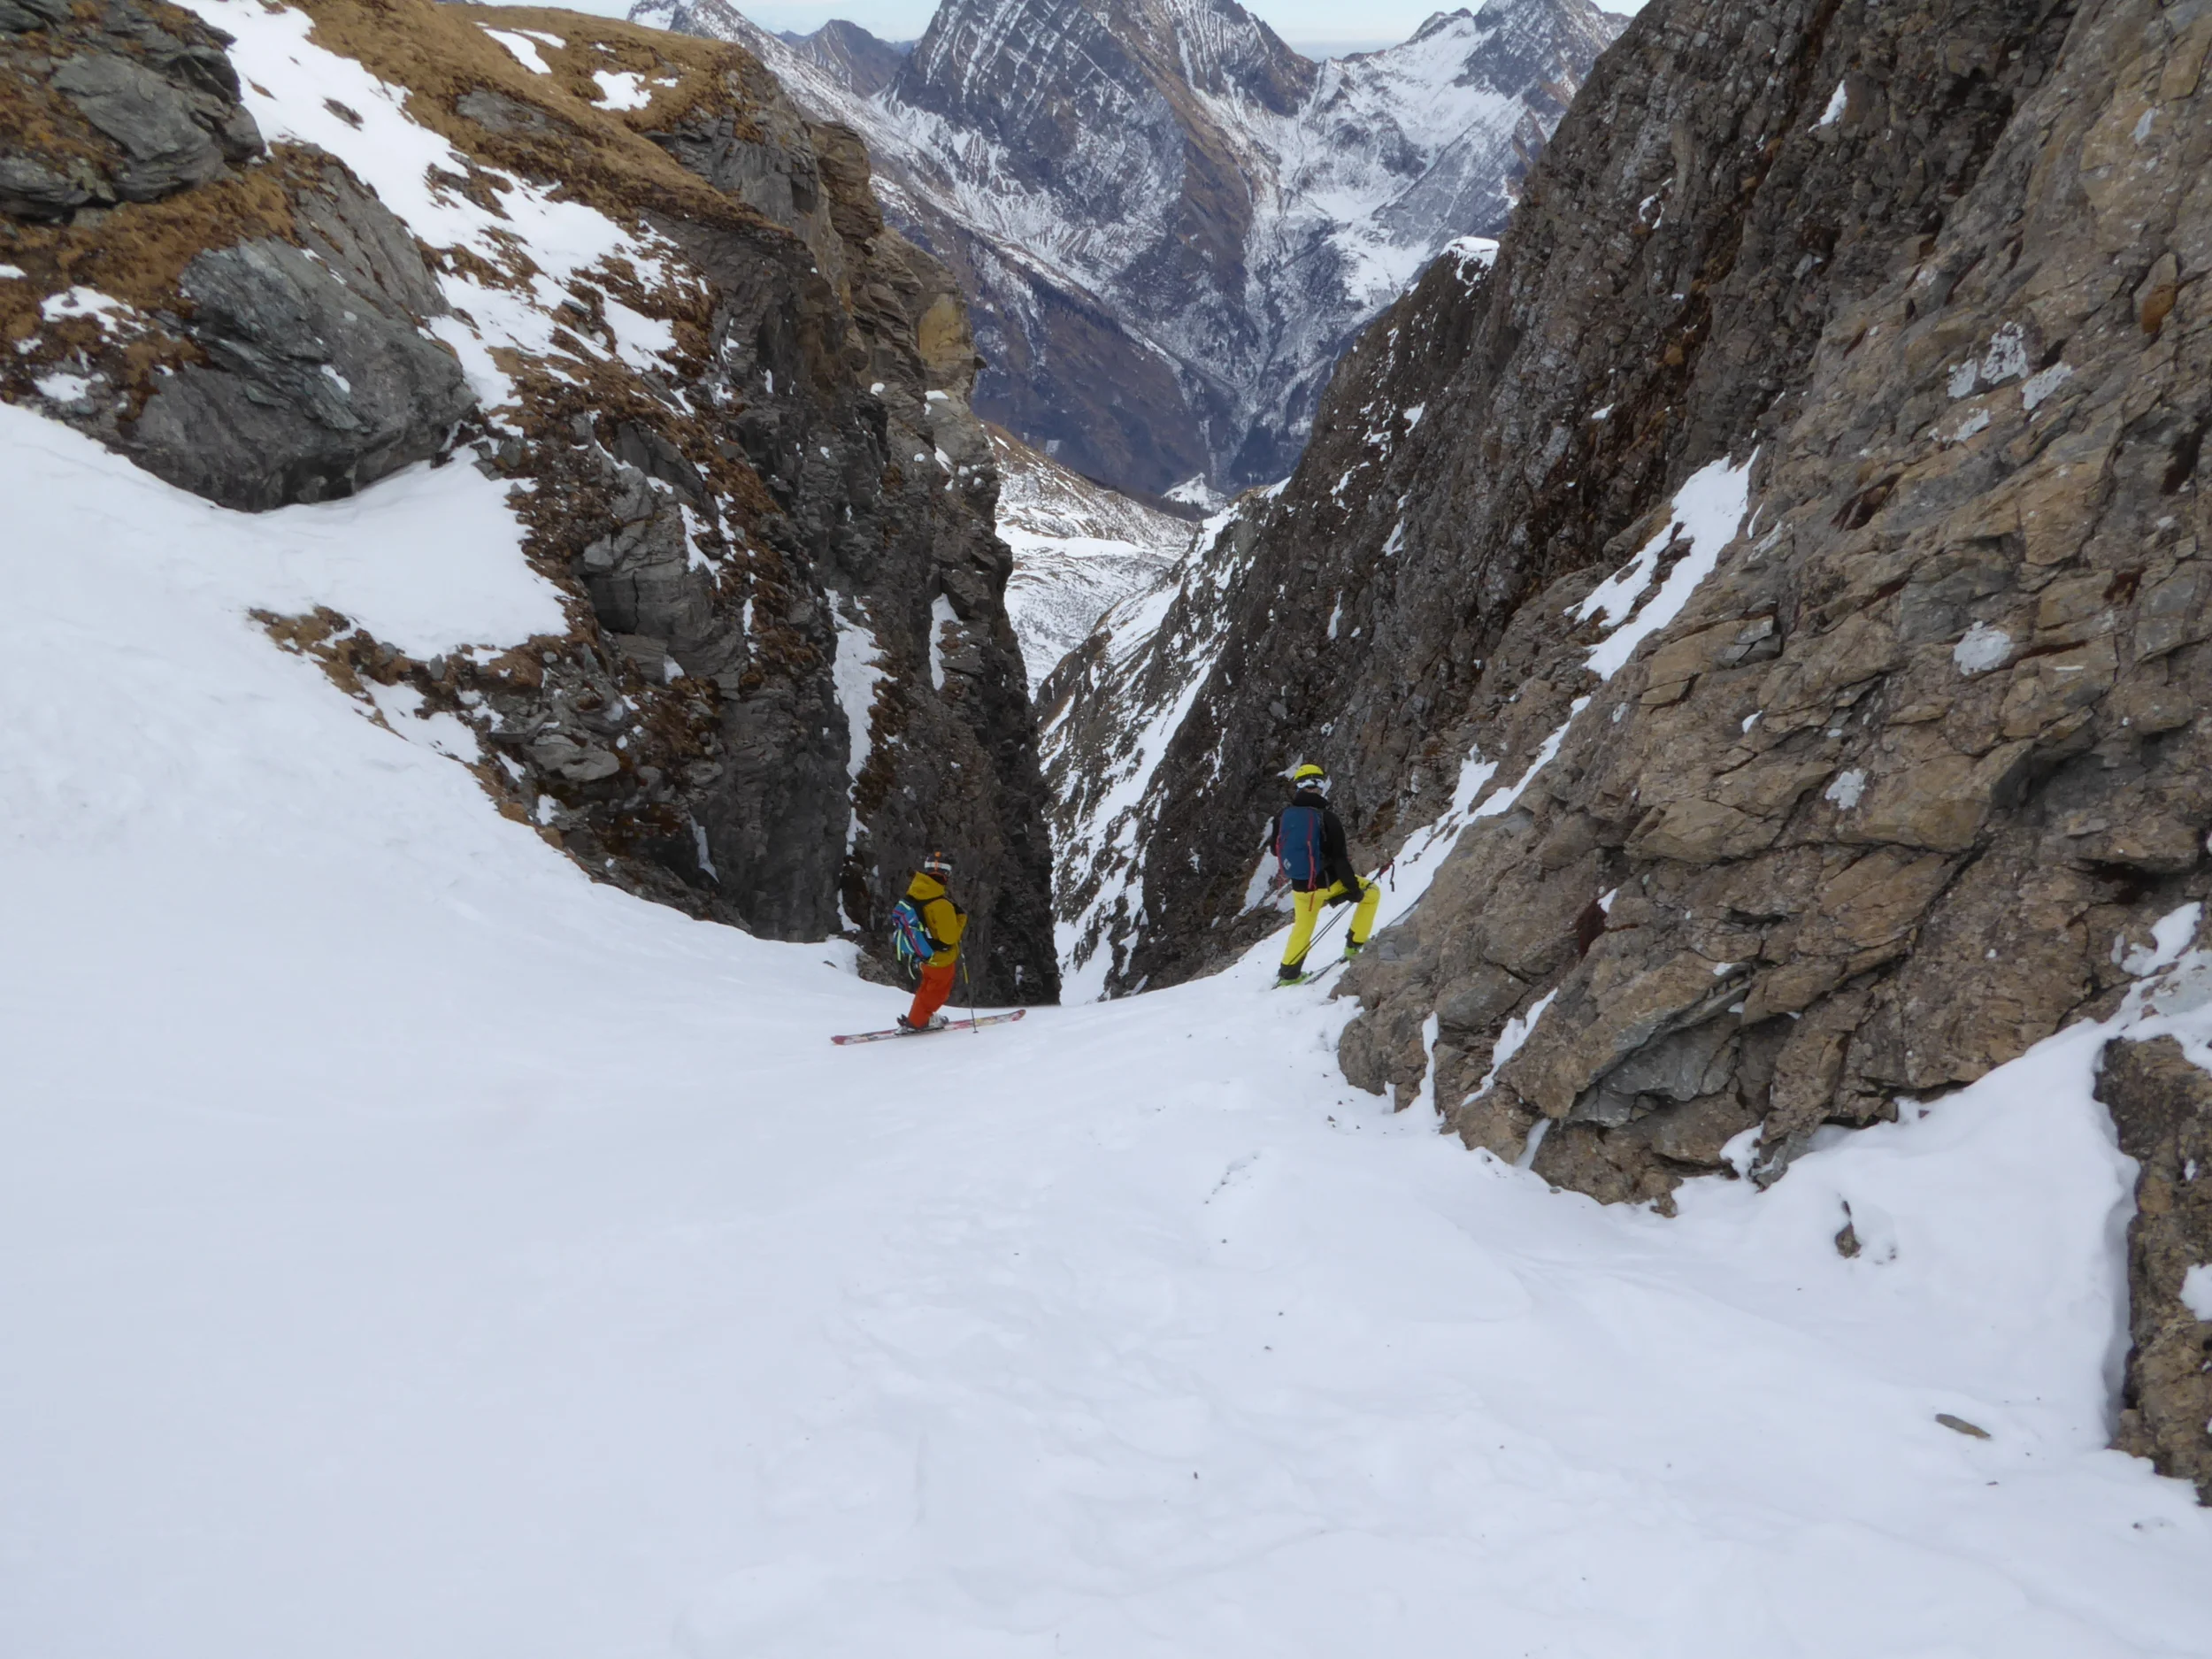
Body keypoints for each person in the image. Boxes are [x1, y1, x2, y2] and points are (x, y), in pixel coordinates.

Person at [1271, 763, 1379, 983]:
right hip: (1326, 883)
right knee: (1371, 893)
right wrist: (1352, 889)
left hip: (1300, 887)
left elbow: (1275, 849)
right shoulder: (1326, 817)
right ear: (1320, 785)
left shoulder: (1282, 816)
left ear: (1299, 786)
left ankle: (1288, 975)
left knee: (1303, 926)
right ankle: (1355, 948)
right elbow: (1339, 858)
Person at [898, 850, 968, 1031]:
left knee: (928, 987)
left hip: (922, 953)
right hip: (940, 957)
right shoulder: (941, 904)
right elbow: (950, 937)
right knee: (937, 992)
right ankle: (918, 1021)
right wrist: (961, 919)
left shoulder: (916, 892)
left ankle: (920, 1017)